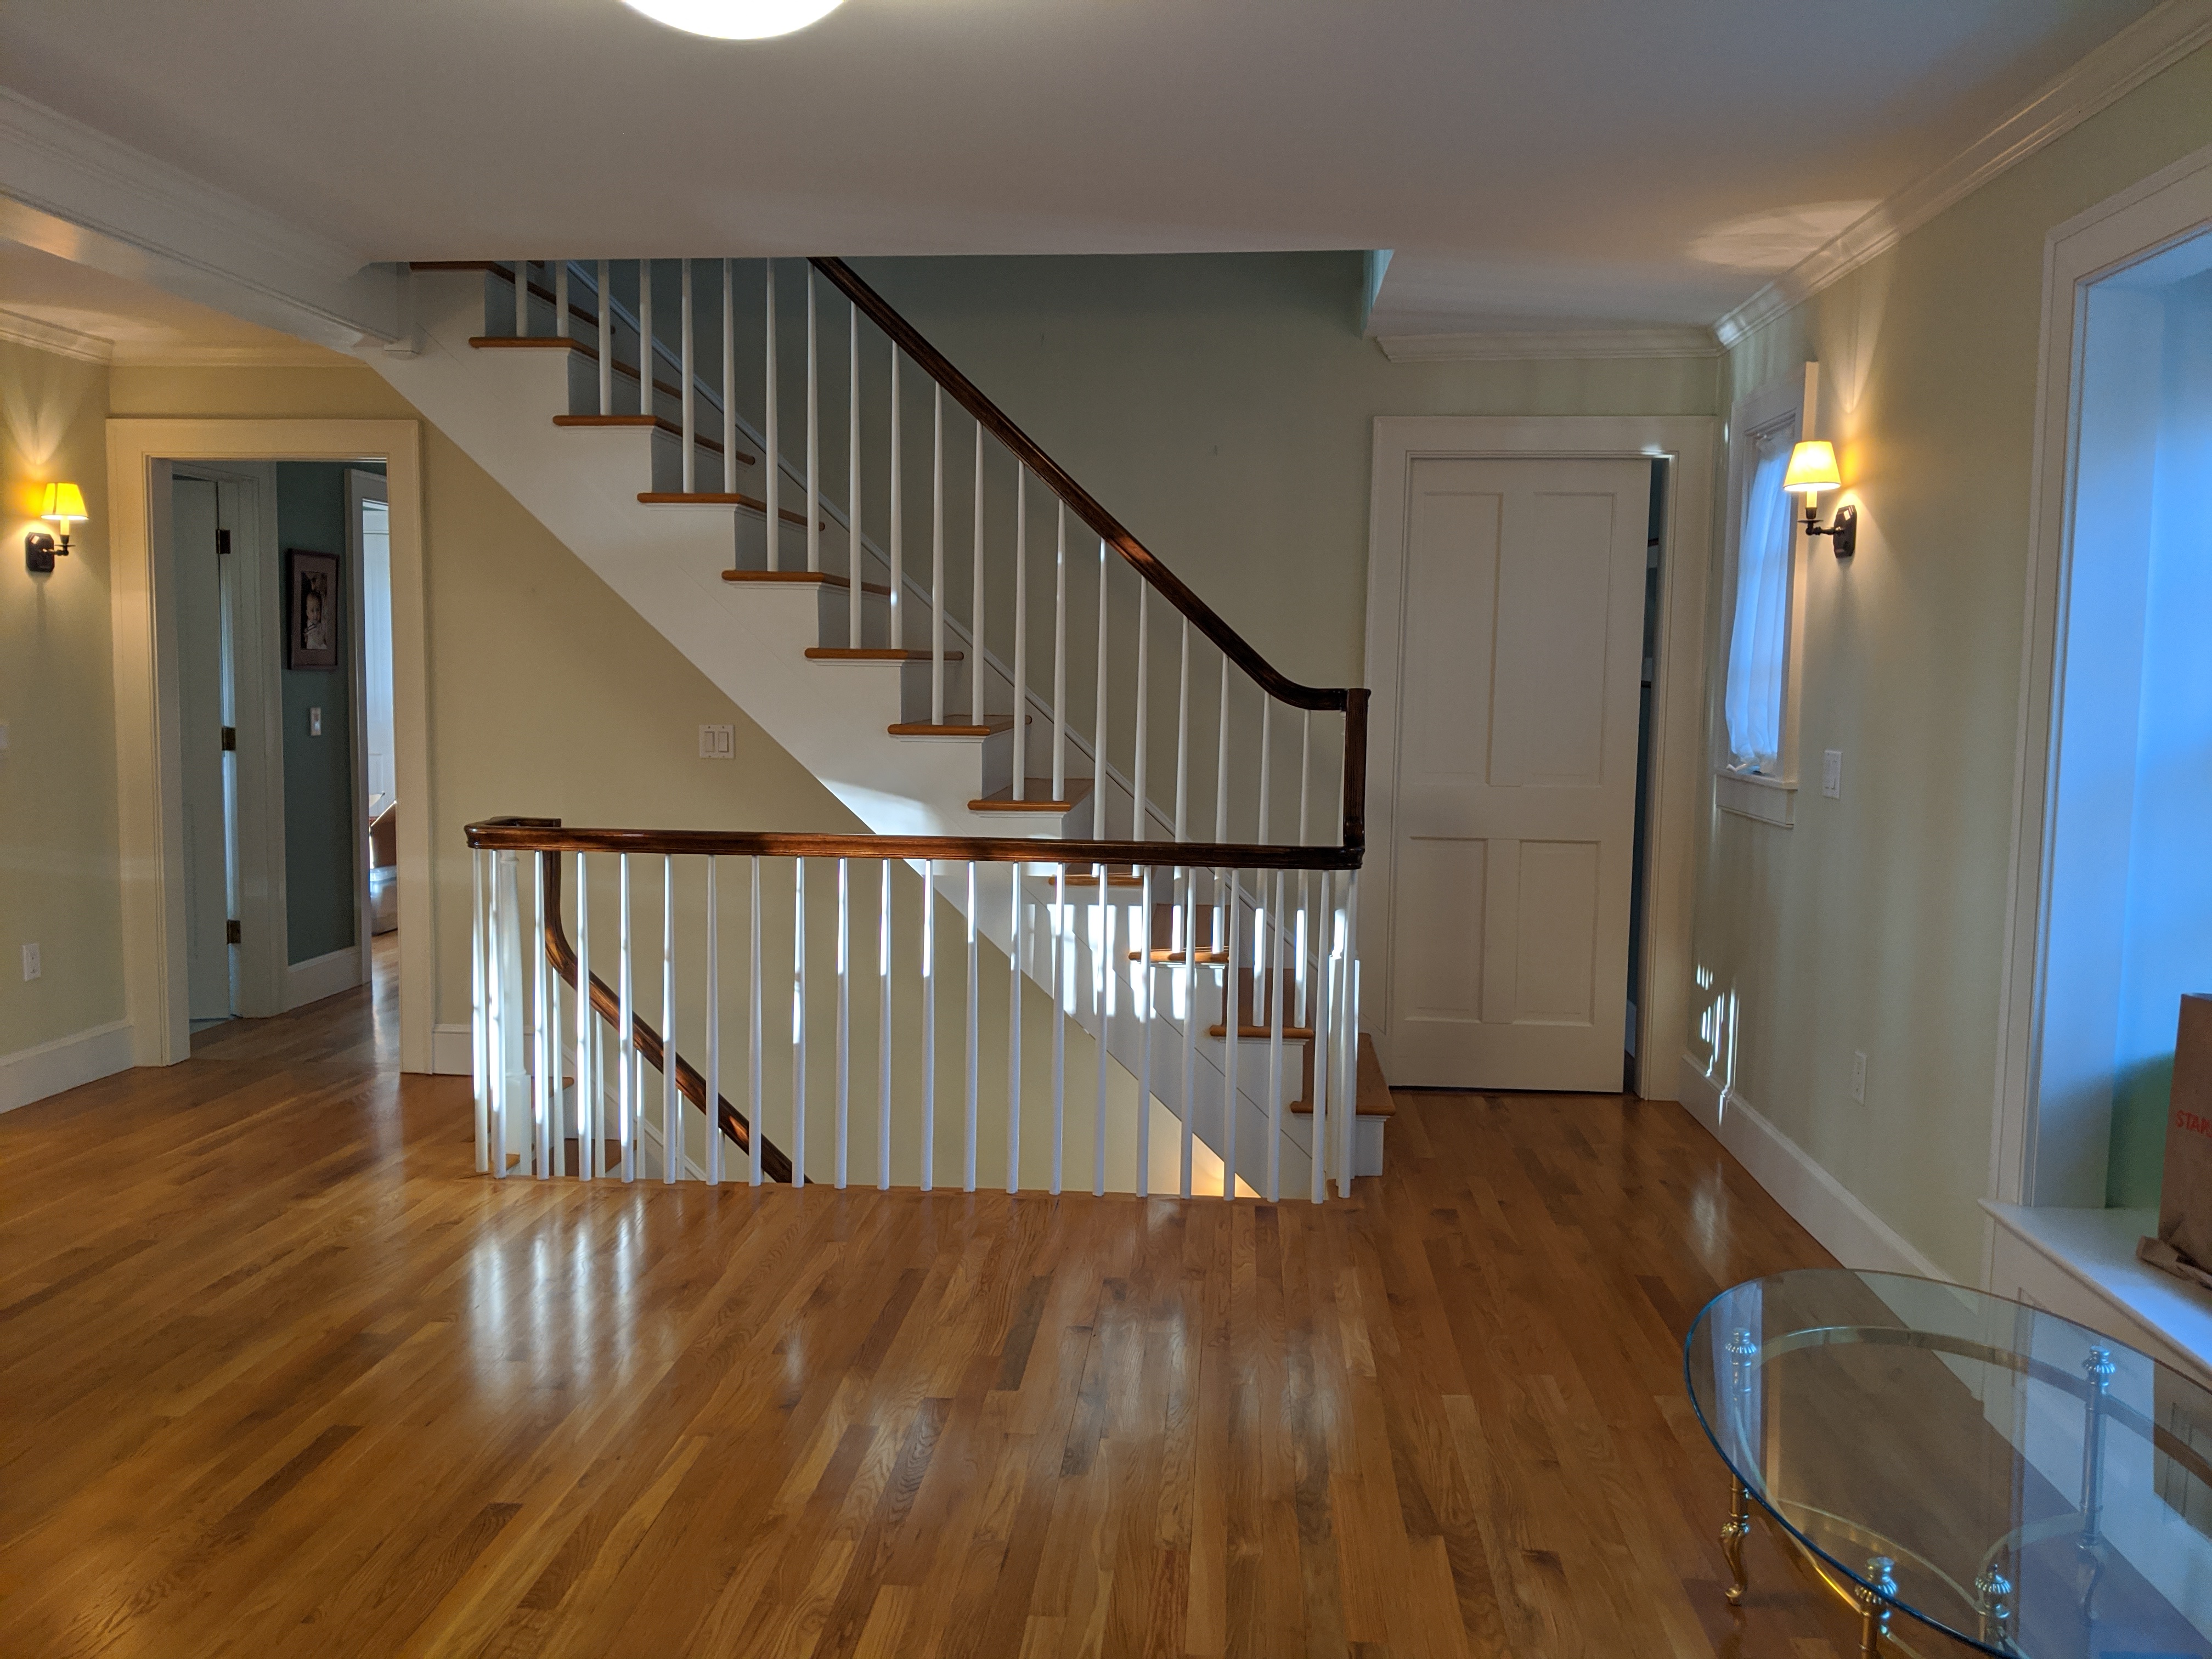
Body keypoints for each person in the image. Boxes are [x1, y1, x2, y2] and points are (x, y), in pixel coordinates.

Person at [301, 578, 330, 654]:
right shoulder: (311, 626)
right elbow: (319, 641)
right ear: (307, 613)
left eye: (318, 610)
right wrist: (324, 625)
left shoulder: (316, 624)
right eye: (312, 611)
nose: (316, 615)